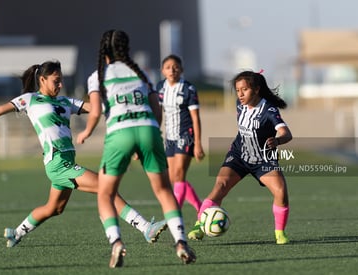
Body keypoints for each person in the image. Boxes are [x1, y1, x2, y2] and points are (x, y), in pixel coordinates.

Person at [0, 60, 167, 248]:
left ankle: (16, 233)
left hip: (67, 162)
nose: (60, 84)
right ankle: (145, 228)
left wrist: (123, 105)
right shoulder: (30, 99)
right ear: (42, 80)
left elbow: (95, 109)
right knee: (104, 186)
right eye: (56, 80)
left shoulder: (65, 101)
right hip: (57, 163)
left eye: (61, 79)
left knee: (54, 208)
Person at [78, 29, 196, 268]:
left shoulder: (98, 75)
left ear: (104, 51)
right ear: (126, 48)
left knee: (105, 193)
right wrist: (151, 133)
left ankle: (117, 242)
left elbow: (96, 111)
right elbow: (156, 106)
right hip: (149, 129)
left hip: (120, 133)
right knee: (163, 190)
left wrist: (86, 132)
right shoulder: (142, 73)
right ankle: (181, 242)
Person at [190, 70, 292, 244]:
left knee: (281, 192)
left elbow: (286, 133)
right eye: (238, 90)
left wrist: (277, 140)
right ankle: (200, 225)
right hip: (239, 155)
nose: (240, 94)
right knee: (220, 186)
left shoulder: (269, 110)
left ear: (257, 90)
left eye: (244, 89)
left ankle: (279, 233)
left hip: (262, 159)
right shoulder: (239, 104)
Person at [155, 54, 205, 240]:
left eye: (175, 67)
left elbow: (195, 118)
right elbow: (158, 114)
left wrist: (198, 143)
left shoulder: (188, 88)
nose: (172, 70)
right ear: (163, 70)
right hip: (169, 138)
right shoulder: (160, 88)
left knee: (178, 176)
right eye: (168, 67)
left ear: (181, 70)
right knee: (173, 178)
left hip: (186, 135)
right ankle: (201, 210)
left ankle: (174, 215)